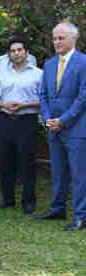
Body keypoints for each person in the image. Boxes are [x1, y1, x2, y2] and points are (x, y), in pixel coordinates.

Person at [37, 22, 86, 231]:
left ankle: (81, 216)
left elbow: (83, 97)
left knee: (78, 174)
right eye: (55, 38)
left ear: (74, 38)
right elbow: (44, 95)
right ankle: (57, 209)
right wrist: (48, 118)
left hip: (76, 129)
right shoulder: (49, 64)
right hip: (53, 128)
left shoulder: (83, 62)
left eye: (61, 38)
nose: (56, 42)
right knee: (58, 171)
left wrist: (64, 120)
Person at [0, 34, 42, 214]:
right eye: (13, 51)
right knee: (5, 160)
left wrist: (24, 105)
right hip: (5, 119)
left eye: (19, 50)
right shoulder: (1, 73)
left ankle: (29, 201)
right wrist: (3, 104)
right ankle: (7, 199)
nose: (16, 54)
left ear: (26, 52)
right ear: (8, 54)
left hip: (26, 121)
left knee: (27, 161)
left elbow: (44, 100)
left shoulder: (38, 74)